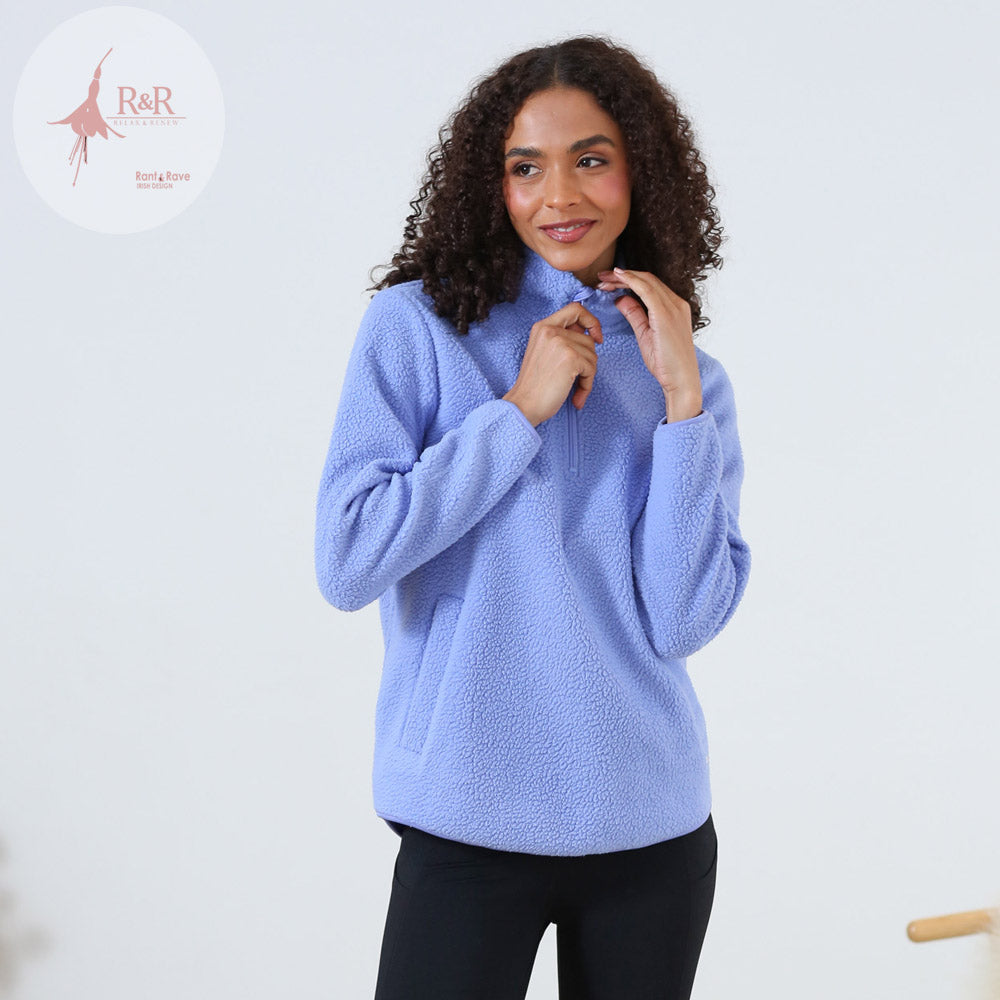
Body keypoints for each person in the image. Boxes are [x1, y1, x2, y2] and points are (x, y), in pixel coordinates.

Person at [314, 34, 752, 1000]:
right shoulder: (417, 326)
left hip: (651, 826)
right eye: (526, 167)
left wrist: (681, 403)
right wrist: (517, 411)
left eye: (591, 159)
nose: (559, 195)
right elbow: (349, 558)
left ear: (641, 172)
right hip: (466, 818)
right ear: (492, 184)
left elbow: (682, 620)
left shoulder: (692, 379)